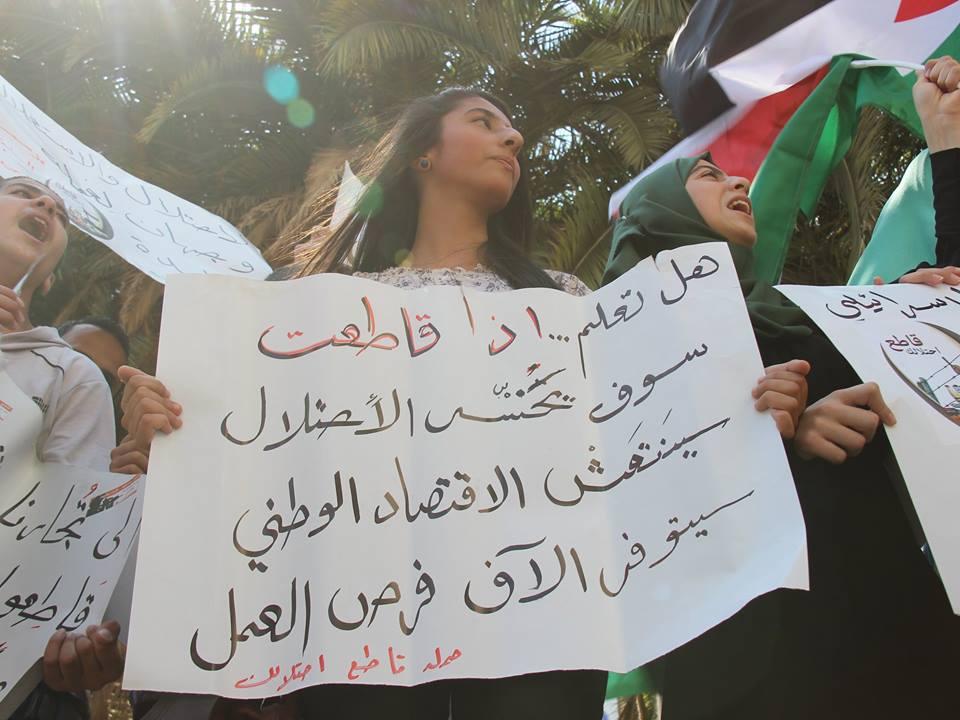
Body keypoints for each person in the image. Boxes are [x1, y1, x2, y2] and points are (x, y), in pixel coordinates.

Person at [114, 86, 806, 719]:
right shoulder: (312, 309)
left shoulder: (569, 304)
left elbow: (638, 454)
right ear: (422, 153)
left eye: (512, 130)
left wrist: (740, 417)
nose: (514, 139)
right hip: (359, 630)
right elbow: (263, 465)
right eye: (484, 122)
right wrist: (173, 433)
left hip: (543, 625)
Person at [599, 57, 960, 720]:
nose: (738, 179)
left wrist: (947, 141)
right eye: (706, 176)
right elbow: (630, 502)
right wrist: (778, 444)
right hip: (754, 673)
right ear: (658, 213)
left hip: (897, 634)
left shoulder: (810, 317)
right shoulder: (614, 354)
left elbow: (950, 328)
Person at [0, 177, 127, 718]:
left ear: (49, 277)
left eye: (62, 214)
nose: (47, 203)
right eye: (21, 190)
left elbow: (60, 544)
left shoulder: (71, 377)